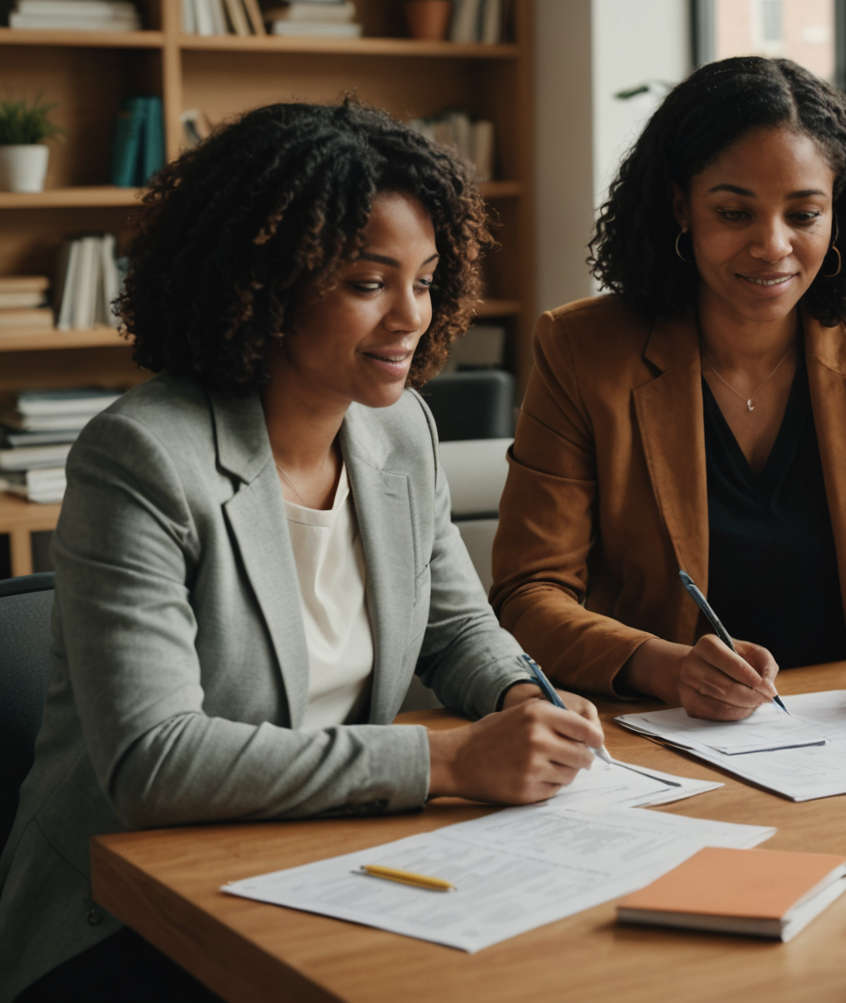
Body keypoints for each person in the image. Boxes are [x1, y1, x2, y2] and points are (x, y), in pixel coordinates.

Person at [0, 101, 608, 1001]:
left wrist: (527, 698)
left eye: (428, 278)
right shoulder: (141, 458)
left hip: (328, 857)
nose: (412, 314)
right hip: (134, 911)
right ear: (266, 279)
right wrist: (449, 763)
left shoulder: (399, 431)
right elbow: (155, 764)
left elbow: (456, 631)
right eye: (369, 282)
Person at [491, 56, 846, 722]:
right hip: (660, 726)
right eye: (734, 213)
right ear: (680, 207)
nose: (772, 246)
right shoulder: (583, 351)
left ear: (839, 213)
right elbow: (528, 591)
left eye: (804, 214)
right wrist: (665, 666)